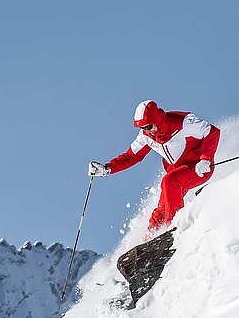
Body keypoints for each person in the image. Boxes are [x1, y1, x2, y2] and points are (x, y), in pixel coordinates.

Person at [89, 100, 221, 234]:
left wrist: (206, 159)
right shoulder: (146, 136)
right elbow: (131, 156)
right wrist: (107, 168)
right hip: (177, 173)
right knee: (161, 211)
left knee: (169, 181)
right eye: (143, 128)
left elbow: (212, 131)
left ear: (156, 119)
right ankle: (150, 239)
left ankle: (176, 227)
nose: (147, 131)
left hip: (199, 168)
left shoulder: (182, 123)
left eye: (148, 126)